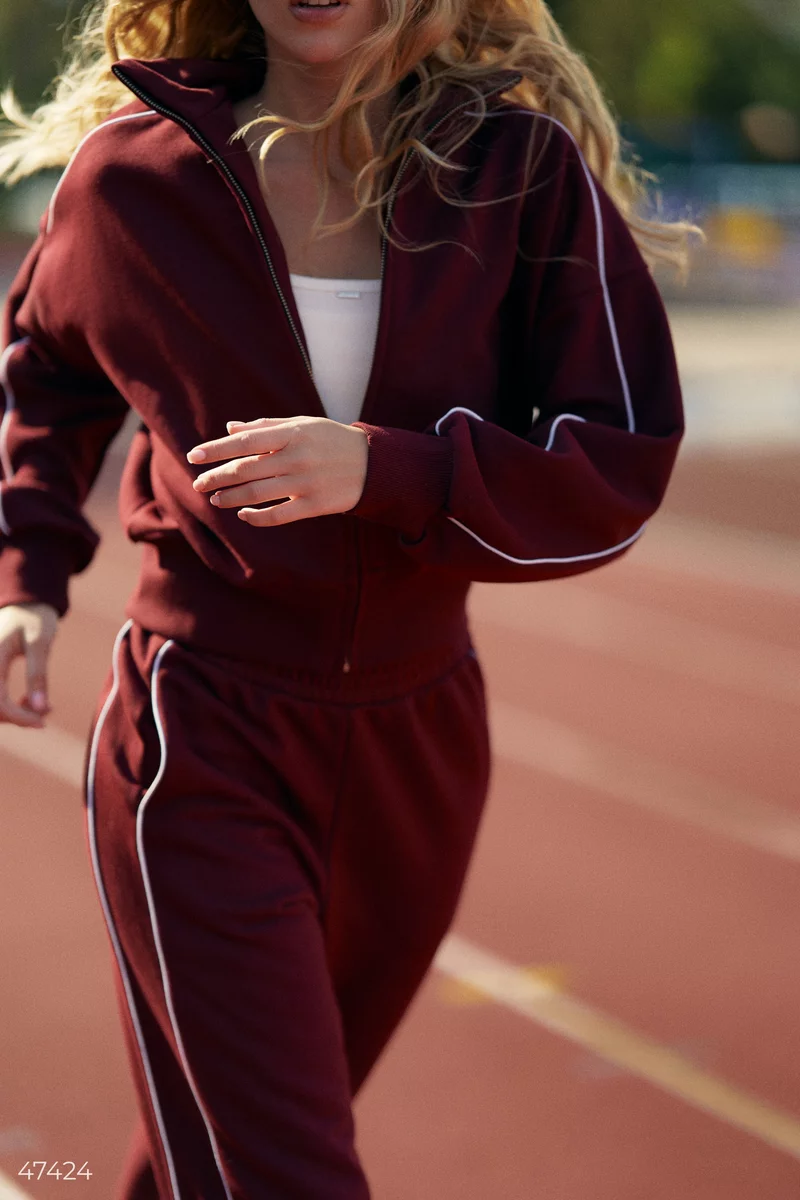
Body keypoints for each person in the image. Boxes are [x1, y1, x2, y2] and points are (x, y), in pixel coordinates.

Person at [0, 0, 694, 1195]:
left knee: (212, 1155)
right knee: (287, 1171)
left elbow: (615, 462)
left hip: (420, 747)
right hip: (201, 736)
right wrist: (28, 575)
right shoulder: (132, 179)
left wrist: (388, 468)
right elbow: (49, 371)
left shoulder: (516, 172)